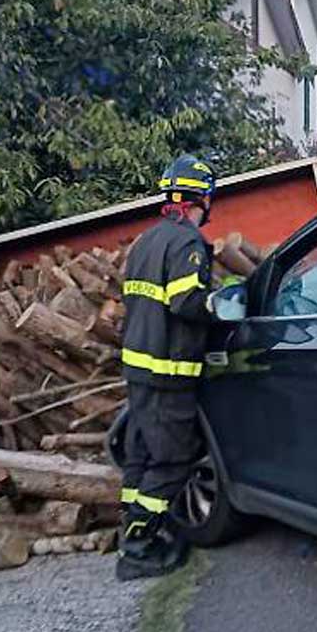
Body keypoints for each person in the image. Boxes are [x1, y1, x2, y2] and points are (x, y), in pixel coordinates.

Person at [116, 154, 217, 581]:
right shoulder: (187, 244)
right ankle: (138, 549)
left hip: (139, 371)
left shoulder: (146, 241)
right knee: (173, 463)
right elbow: (186, 303)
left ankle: (132, 533)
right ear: (203, 197)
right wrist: (220, 304)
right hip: (167, 374)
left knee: (140, 457)